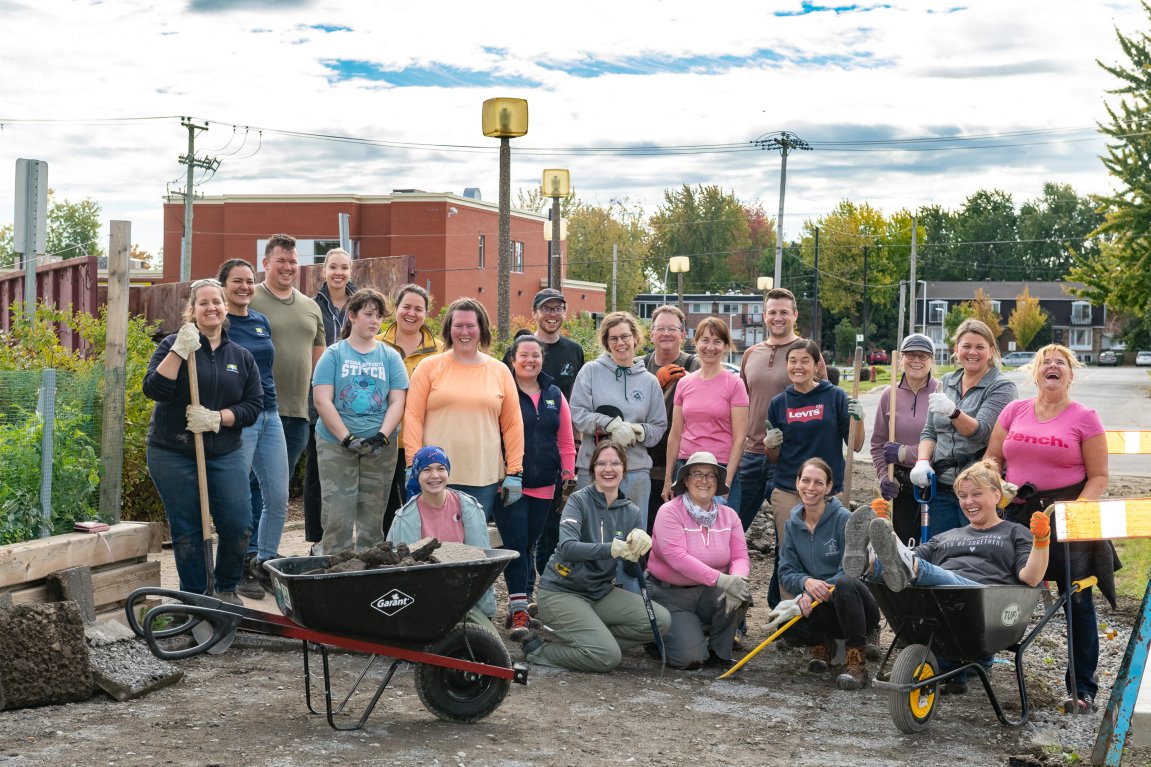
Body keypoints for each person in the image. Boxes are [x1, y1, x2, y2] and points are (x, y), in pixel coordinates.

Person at [844, 458, 1051, 693]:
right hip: (939, 607)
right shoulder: (947, 535)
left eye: (976, 494)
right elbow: (904, 561)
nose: (968, 502)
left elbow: (1031, 578)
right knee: (909, 569)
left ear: (995, 496)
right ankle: (868, 566)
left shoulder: (1015, 532)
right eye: (962, 496)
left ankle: (871, 563)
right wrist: (885, 526)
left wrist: (1041, 541)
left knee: (930, 573)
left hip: (981, 604)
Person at [986, 343, 1111, 713]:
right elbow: (992, 458)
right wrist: (998, 488)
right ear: (1035, 373)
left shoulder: (1085, 417)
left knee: (1077, 601)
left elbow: (1100, 476)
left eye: (1061, 363)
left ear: (1071, 374)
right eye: (1045, 362)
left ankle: (1082, 689)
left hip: (1066, 517)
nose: (1052, 366)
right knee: (997, 589)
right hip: (1017, 516)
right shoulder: (1014, 410)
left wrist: (1076, 512)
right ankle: (975, 665)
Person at [143, 279, 263, 603]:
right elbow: (154, 389)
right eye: (203, 303)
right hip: (172, 452)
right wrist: (179, 352)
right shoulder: (173, 344)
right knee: (188, 531)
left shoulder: (241, 356)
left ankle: (225, 588)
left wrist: (217, 417)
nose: (211, 307)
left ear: (226, 309)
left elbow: (254, 405)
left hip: (225, 452)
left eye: (216, 302)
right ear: (192, 310)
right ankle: (196, 598)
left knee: (239, 524)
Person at [518, 441, 671, 672]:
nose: (608, 469)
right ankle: (540, 651)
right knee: (607, 658)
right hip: (562, 591)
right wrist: (612, 548)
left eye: (615, 463)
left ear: (624, 469)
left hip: (600, 592)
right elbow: (568, 547)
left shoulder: (632, 512)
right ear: (593, 469)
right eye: (601, 463)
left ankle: (593, 644)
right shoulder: (578, 500)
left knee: (660, 621)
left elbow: (631, 571)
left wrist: (640, 551)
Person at [403, 297, 524, 519]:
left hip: (482, 477)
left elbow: (513, 424)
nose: (464, 331)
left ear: (482, 329)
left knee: (472, 545)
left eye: (471, 325)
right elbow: (413, 416)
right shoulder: (428, 367)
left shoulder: (500, 371)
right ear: (449, 329)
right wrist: (412, 463)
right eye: (458, 325)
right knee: (433, 544)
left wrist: (515, 471)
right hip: (434, 474)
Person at [249, 234, 326, 576]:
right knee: (253, 486)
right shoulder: (250, 299)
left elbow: (319, 362)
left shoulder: (310, 306)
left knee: (277, 492)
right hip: (256, 410)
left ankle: (263, 556)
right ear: (265, 263)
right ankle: (248, 555)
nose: (288, 267)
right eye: (281, 260)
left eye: (293, 261)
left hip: (297, 413)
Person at [765, 339, 865, 599]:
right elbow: (774, 457)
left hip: (829, 492)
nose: (798, 366)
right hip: (789, 489)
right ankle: (792, 619)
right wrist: (769, 445)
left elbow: (855, 444)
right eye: (793, 361)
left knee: (832, 552)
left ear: (817, 365)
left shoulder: (835, 397)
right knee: (789, 555)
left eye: (805, 361)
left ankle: (831, 615)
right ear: (786, 365)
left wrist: (859, 420)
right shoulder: (779, 403)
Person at [312, 288, 408, 554]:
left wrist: (383, 436)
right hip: (336, 444)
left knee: (373, 514)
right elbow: (322, 400)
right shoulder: (334, 354)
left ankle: (369, 567)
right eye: (368, 314)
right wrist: (346, 438)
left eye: (378, 316)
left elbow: (398, 401)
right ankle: (333, 565)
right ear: (352, 316)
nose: (374, 321)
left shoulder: (390, 357)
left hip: (380, 446)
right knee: (338, 512)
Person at [216, 259, 291, 598]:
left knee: (277, 495)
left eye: (249, 281)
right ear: (224, 286)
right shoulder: (219, 323)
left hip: (270, 414)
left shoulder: (261, 321)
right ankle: (234, 569)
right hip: (238, 419)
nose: (245, 287)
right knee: (236, 499)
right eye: (237, 281)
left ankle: (265, 562)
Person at [569, 311, 667, 562]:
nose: (620, 343)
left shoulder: (649, 382)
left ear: (636, 338)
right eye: (613, 338)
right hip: (594, 469)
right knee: (593, 535)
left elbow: (658, 428)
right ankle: (592, 590)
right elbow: (578, 415)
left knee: (633, 541)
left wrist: (639, 432)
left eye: (625, 336)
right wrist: (609, 424)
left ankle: (631, 591)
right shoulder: (590, 372)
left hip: (635, 471)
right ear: (606, 342)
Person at [775, 458, 879, 690]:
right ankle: (822, 643)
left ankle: (856, 660)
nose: (810, 488)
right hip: (821, 609)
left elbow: (853, 569)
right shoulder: (792, 525)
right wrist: (805, 583)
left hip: (857, 608)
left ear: (829, 487)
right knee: (786, 624)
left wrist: (817, 590)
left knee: (844, 582)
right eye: (806, 481)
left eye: (818, 483)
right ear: (797, 482)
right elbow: (786, 571)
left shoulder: (843, 519)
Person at [498, 332, 576, 639]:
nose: (530, 360)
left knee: (529, 545)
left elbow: (566, 438)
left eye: (536, 355)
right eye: (524, 355)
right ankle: (518, 609)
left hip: (545, 484)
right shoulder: (503, 391)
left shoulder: (554, 393)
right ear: (512, 359)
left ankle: (522, 602)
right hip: (511, 484)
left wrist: (567, 474)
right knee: (516, 546)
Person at [910, 319, 1018, 538]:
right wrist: (922, 461)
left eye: (980, 347)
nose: (972, 352)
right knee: (940, 552)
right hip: (941, 487)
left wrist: (953, 412)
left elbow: (982, 433)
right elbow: (930, 430)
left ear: (991, 351)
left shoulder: (1002, 387)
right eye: (966, 346)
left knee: (978, 555)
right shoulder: (946, 382)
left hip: (979, 491)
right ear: (956, 349)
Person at [647, 452, 750, 670]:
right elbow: (676, 557)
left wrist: (737, 580)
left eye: (711, 475)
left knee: (740, 593)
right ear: (685, 479)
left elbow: (740, 556)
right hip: (670, 595)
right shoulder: (669, 512)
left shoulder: (729, 515)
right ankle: (658, 638)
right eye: (697, 474)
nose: (704, 480)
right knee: (690, 660)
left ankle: (719, 652)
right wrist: (722, 580)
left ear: (717, 482)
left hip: (708, 591)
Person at [387, 446, 498, 635]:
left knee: (486, 645)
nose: (434, 475)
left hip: (463, 599)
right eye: (426, 470)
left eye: (440, 468)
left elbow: (483, 564)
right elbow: (397, 572)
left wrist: (487, 613)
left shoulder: (468, 508)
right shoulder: (405, 518)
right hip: (422, 599)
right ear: (417, 475)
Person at [727, 287, 801, 534]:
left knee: (788, 531)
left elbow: (820, 401)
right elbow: (741, 403)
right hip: (750, 454)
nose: (777, 317)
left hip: (788, 457)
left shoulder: (805, 352)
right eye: (772, 312)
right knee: (733, 523)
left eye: (784, 312)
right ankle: (728, 572)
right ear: (764, 315)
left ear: (794, 315)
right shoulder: (750, 354)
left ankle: (784, 574)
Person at [377, 283, 443, 536]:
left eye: (419, 309)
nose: (411, 313)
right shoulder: (377, 345)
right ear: (396, 309)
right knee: (385, 507)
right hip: (384, 440)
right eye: (406, 307)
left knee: (421, 507)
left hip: (424, 442)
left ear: (426, 313)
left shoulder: (439, 349)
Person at [302, 248, 358, 549]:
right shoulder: (310, 306)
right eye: (333, 267)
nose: (339, 273)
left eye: (344, 268)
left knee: (352, 474)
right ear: (323, 271)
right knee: (318, 474)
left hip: (354, 402)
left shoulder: (361, 304)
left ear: (351, 272)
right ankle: (316, 538)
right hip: (318, 401)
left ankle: (350, 538)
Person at [530, 288, 587, 580]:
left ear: (564, 313)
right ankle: (528, 585)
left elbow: (579, 397)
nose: (552, 314)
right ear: (535, 313)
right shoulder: (523, 347)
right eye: (546, 309)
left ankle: (550, 579)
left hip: (565, 446)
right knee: (531, 520)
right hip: (530, 446)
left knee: (557, 517)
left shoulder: (574, 350)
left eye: (557, 309)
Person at [662, 317, 748, 502]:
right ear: (696, 343)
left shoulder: (735, 384)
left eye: (717, 341)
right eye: (705, 340)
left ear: (725, 346)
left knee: (721, 530)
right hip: (686, 468)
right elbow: (675, 434)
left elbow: (740, 438)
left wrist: (728, 482)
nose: (710, 347)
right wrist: (668, 479)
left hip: (720, 470)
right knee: (687, 530)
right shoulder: (684, 383)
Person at [869, 333, 942, 545]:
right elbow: (878, 444)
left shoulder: (941, 391)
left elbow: (945, 443)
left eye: (923, 355)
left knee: (931, 544)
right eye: (910, 354)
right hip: (900, 483)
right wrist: (884, 476)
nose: (916, 360)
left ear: (932, 360)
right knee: (903, 544)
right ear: (901, 359)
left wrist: (905, 452)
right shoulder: (889, 395)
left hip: (934, 482)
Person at [640, 305, 701, 528]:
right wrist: (655, 382)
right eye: (660, 328)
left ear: (683, 335)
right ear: (651, 334)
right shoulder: (640, 365)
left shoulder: (694, 365)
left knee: (675, 528)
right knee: (642, 527)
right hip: (642, 462)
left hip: (679, 463)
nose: (666, 333)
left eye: (672, 329)